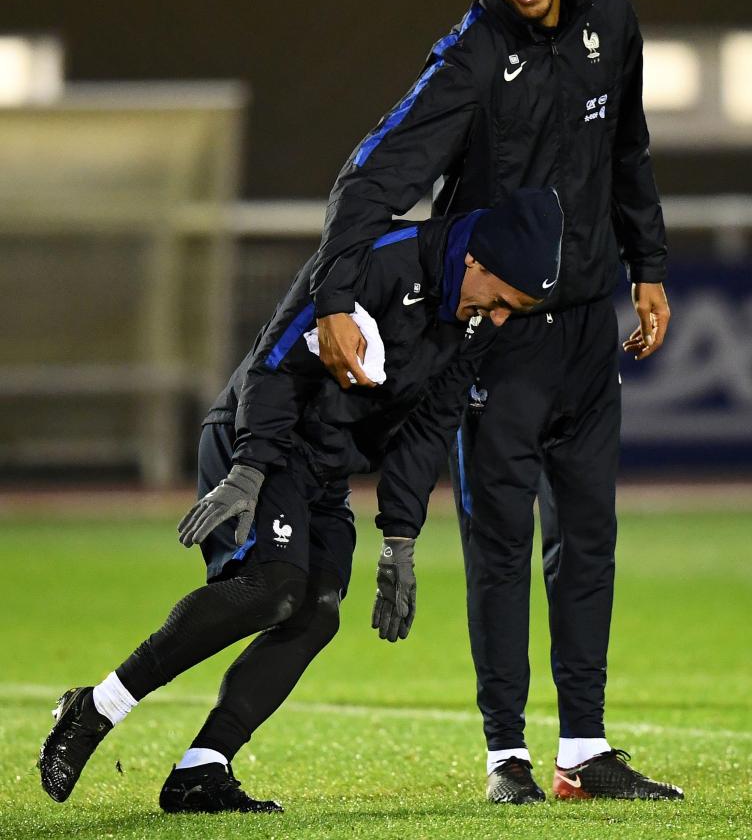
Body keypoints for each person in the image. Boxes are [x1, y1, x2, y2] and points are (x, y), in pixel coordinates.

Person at [308, 0, 681, 803]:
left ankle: (584, 752)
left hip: (592, 330)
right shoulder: (472, 57)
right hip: (500, 341)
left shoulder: (613, 16)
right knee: (502, 546)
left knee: (588, 541)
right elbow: (373, 170)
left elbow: (628, 148)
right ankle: (506, 757)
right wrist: (332, 296)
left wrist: (650, 263)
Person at [38, 188, 563, 814]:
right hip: (262, 442)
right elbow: (273, 361)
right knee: (276, 587)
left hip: (324, 469)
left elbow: (428, 428)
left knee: (316, 609)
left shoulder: (472, 320)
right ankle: (96, 708)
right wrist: (250, 467)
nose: (499, 318)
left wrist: (400, 538)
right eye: (502, 300)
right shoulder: (373, 260)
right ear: (475, 260)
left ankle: (201, 770)